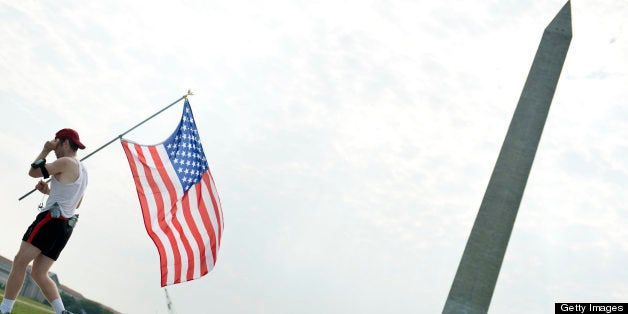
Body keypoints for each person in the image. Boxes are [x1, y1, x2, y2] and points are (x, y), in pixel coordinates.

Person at [0, 129, 88, 314]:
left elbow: (33, 171)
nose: (54, 145)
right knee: (39, 273)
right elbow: (76, 202)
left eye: (56, 142)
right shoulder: (83, 170)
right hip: (65, 226)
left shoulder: (64, 161)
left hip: (49, 221)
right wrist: (49, 192)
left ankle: (5, 309)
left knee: (19, 261)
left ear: (64, 143)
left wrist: (45, 150)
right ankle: (62, 312)